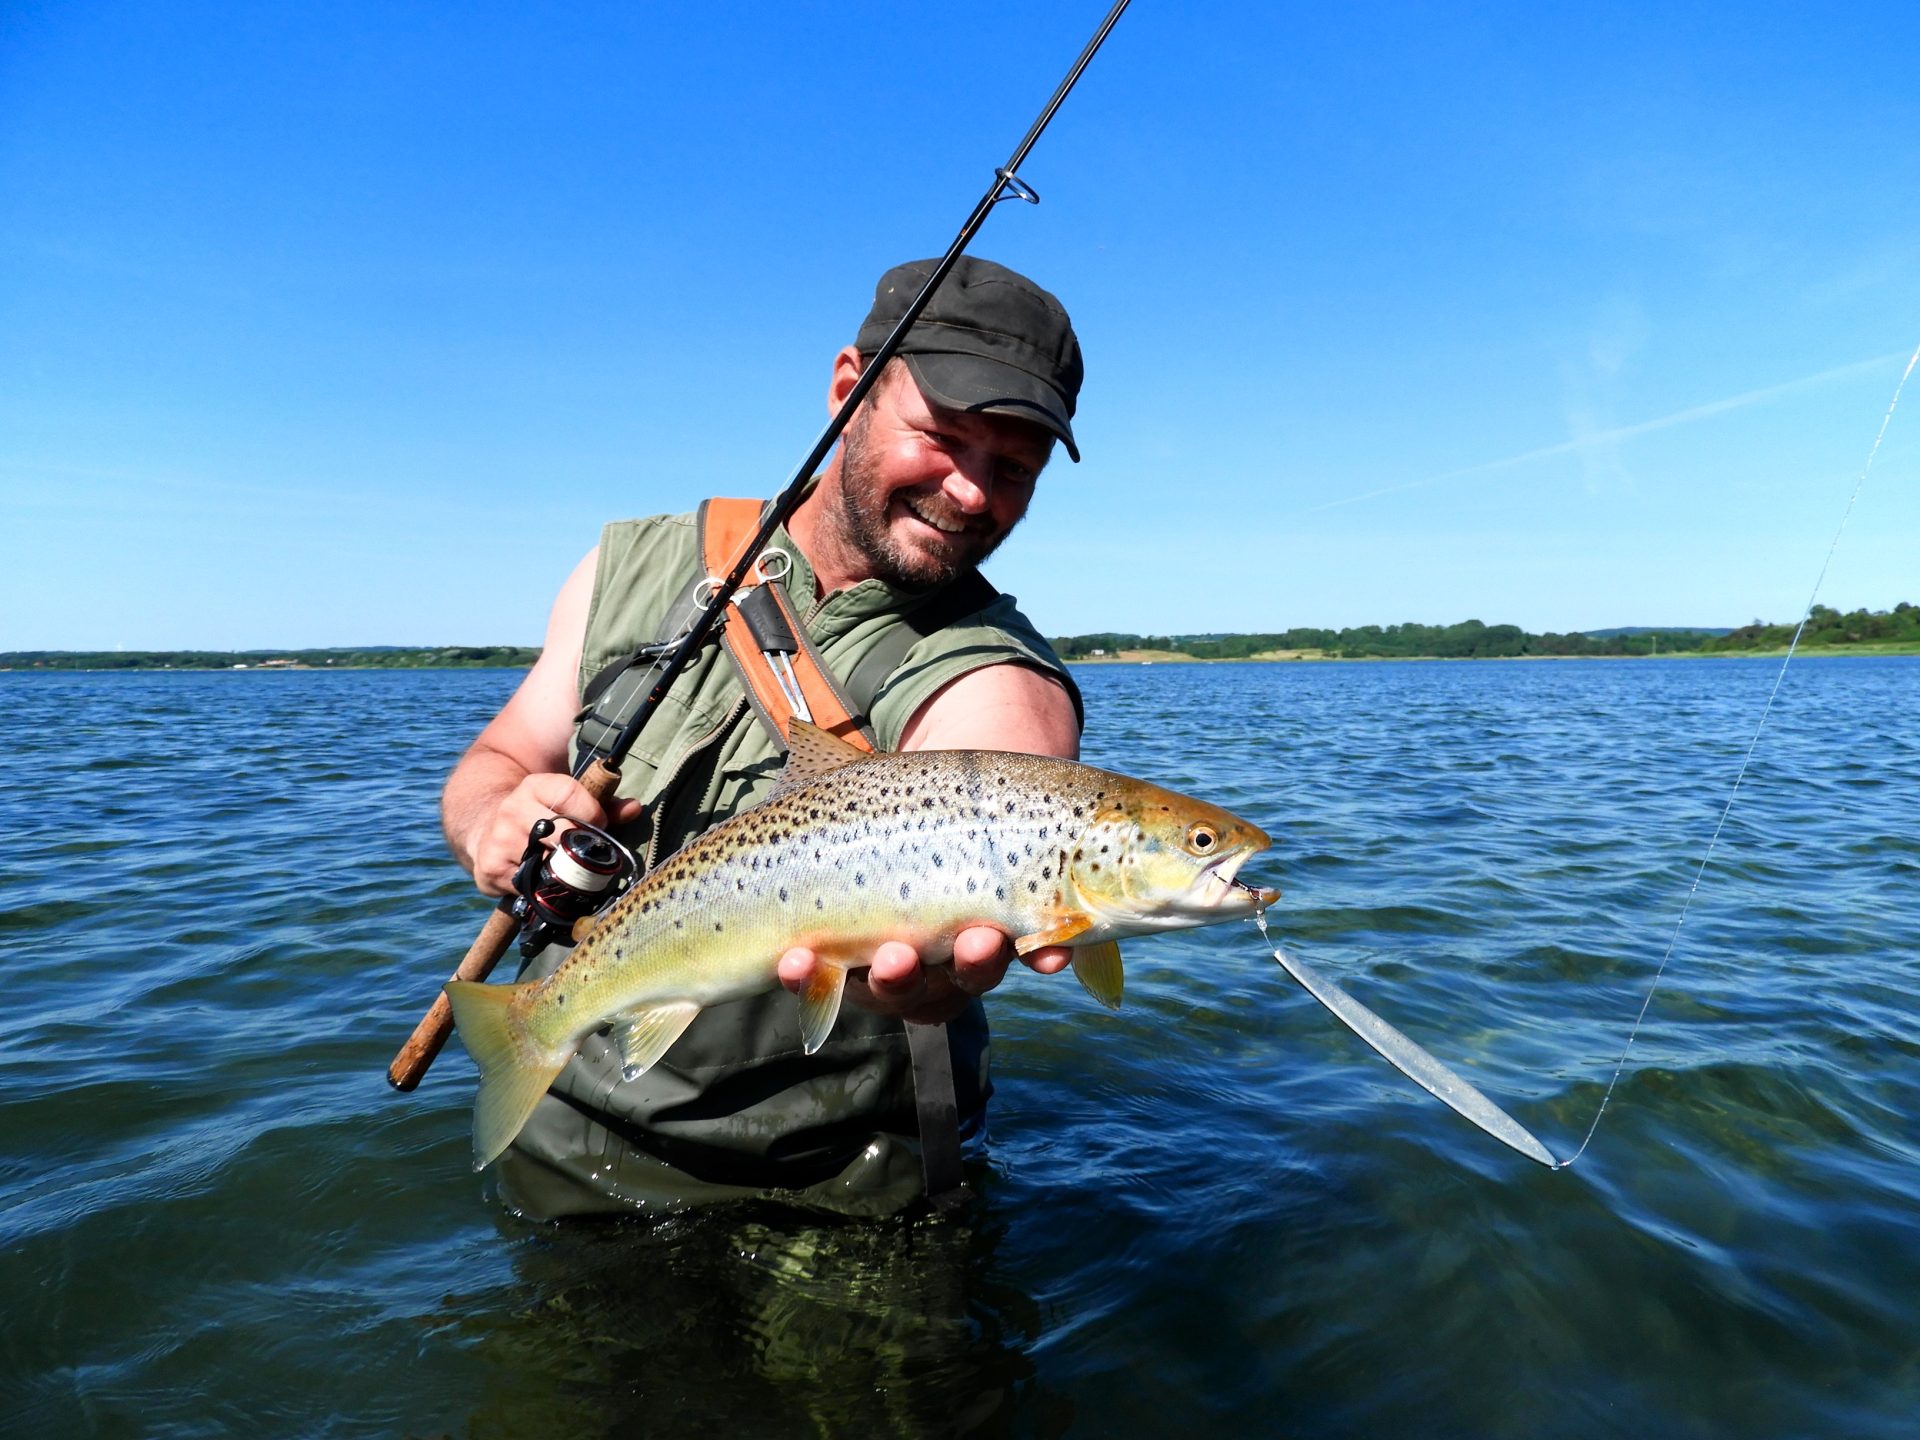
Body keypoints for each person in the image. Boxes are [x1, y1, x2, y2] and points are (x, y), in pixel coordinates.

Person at [440, 256, 1087, 1217]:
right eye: (943, 436)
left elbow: (1012, 762)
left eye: (1015, 470)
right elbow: (495, 761)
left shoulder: (996, 672)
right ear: (848, 389)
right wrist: (494, 817)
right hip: (577, 1149)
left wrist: (941, 979)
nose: (971, 492)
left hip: (846, 1183)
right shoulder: (637, 566)